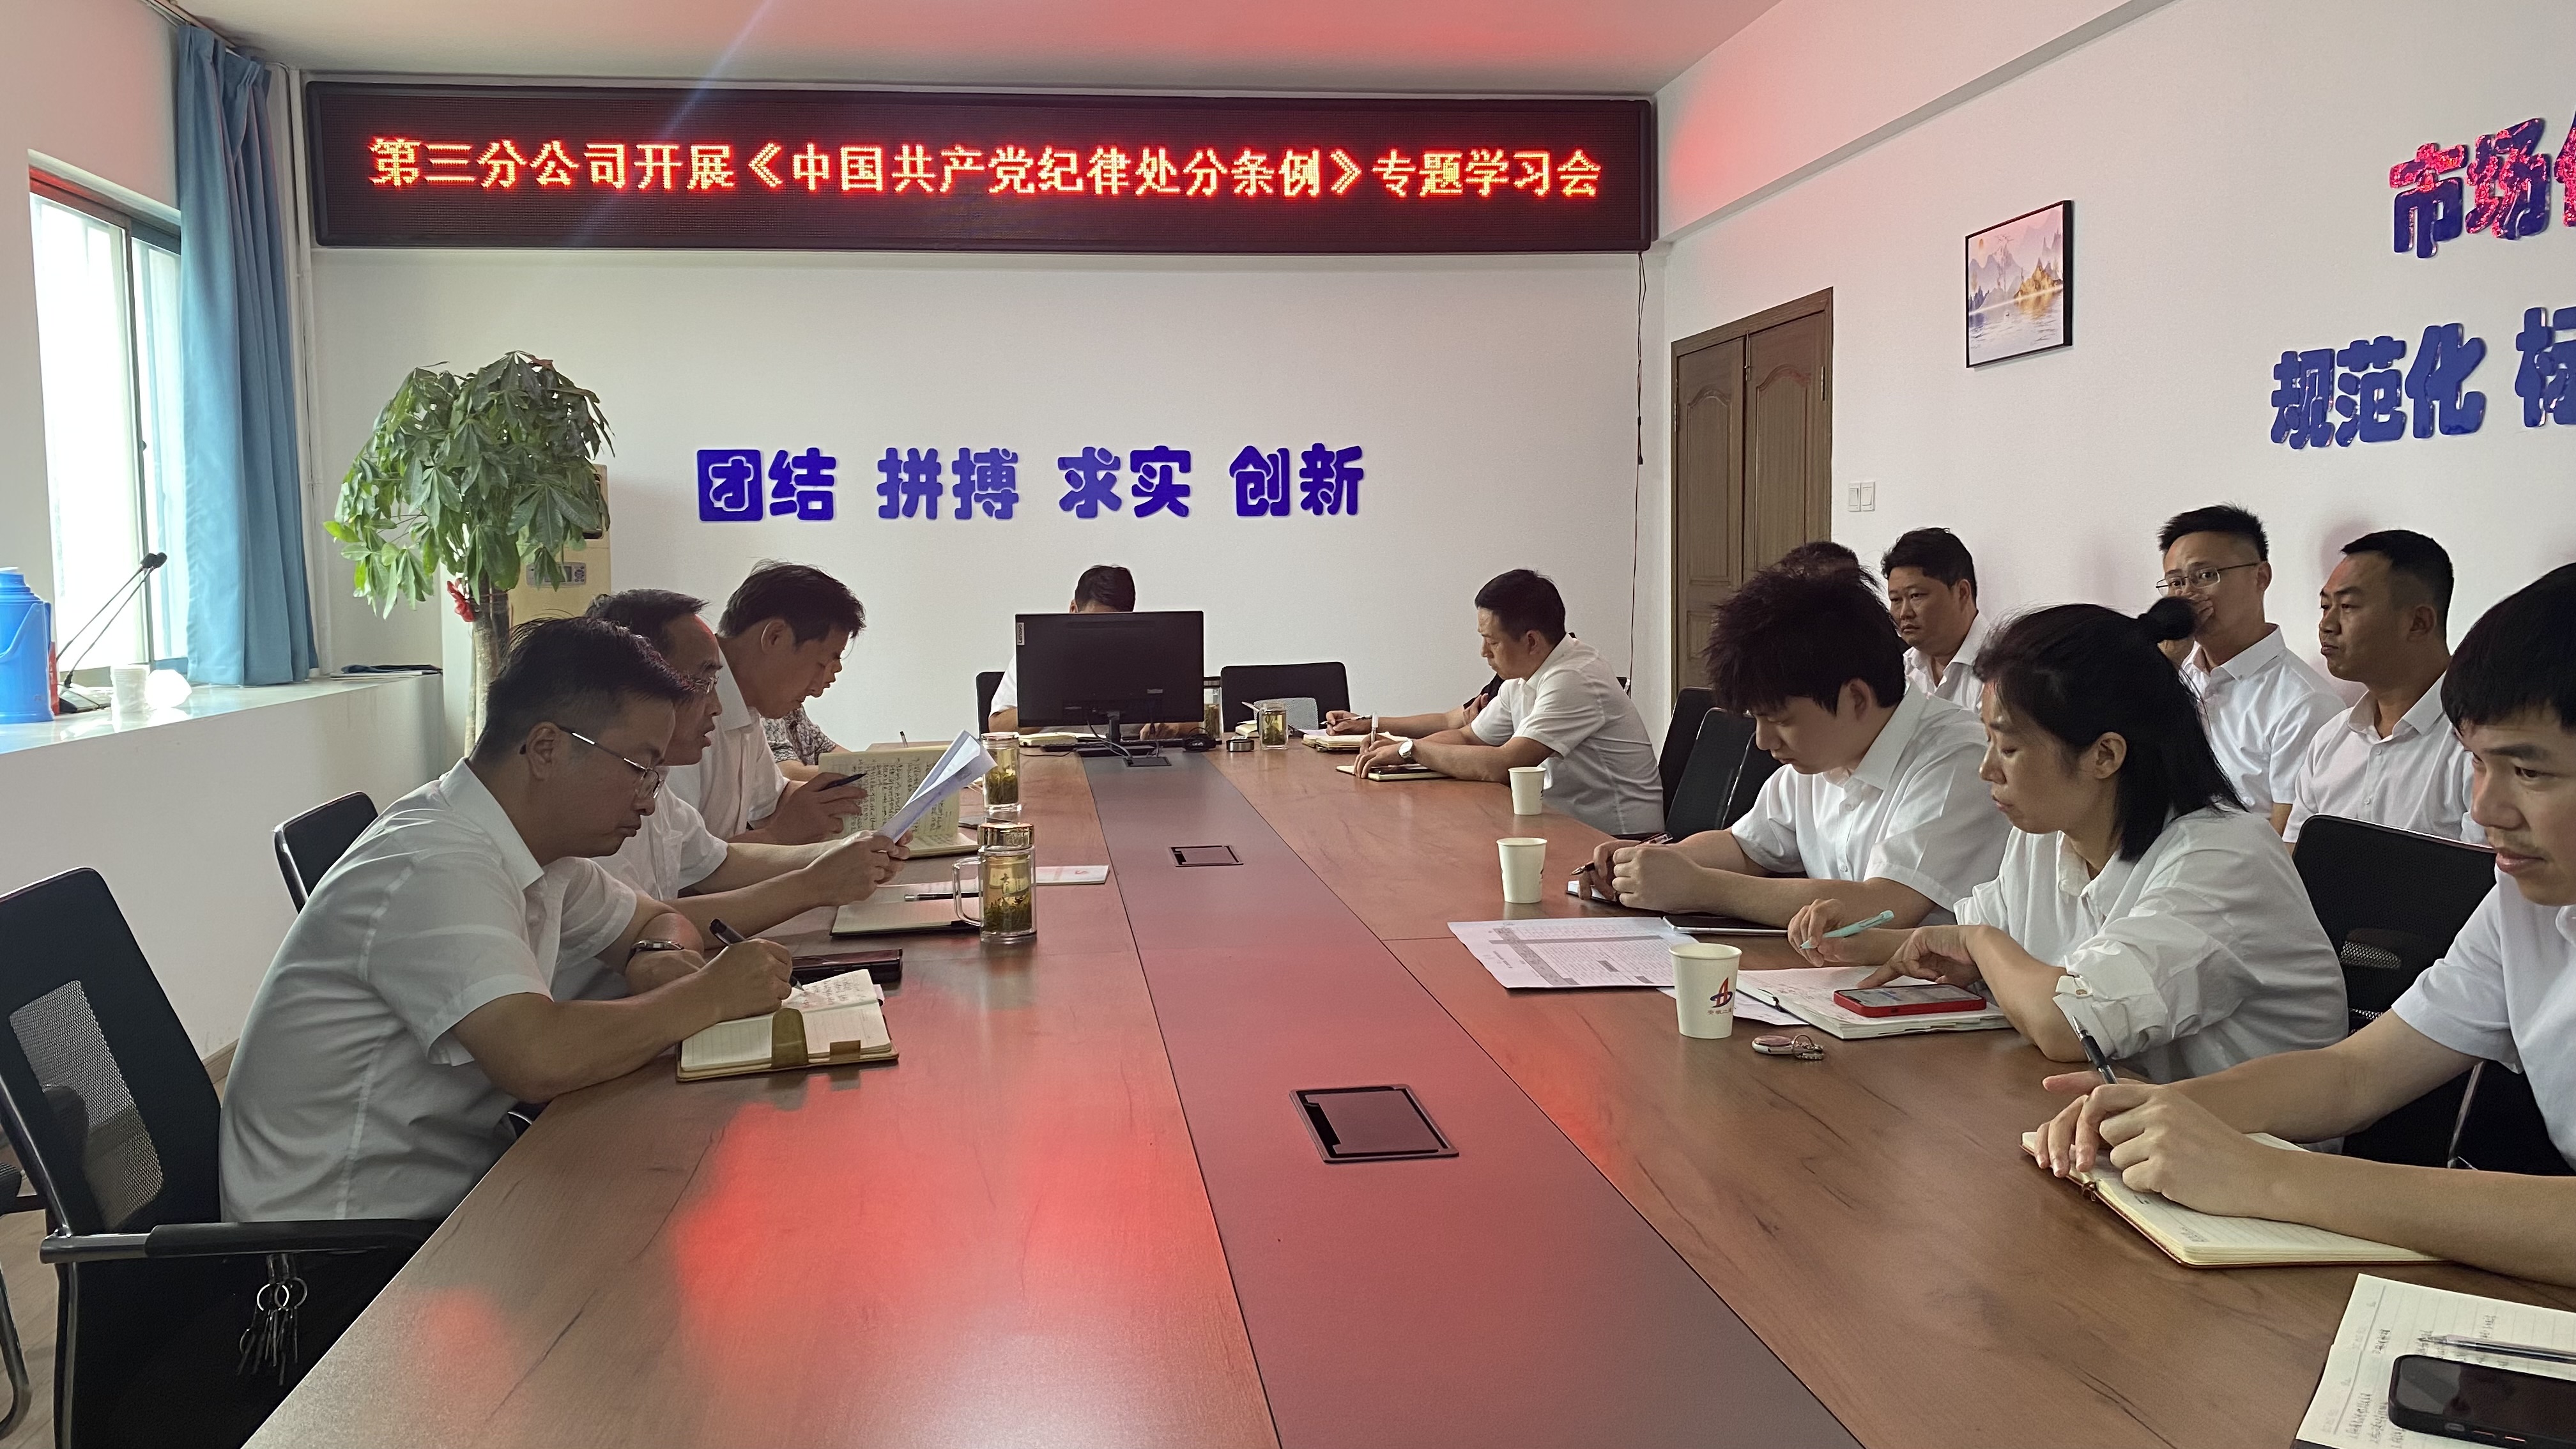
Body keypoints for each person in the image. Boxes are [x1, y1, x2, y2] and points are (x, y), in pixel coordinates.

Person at [2028, 564, 2576, 1286]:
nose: (2484, 809)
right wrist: (2155, 1112)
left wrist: (2267, 1176)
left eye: (2529, 773)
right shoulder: (2527, 905)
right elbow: (2355, 1074)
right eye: (2476, 763)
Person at [220, 618, 798, 1223]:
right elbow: (537, 1057)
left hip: (454, 1187)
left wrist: (656, 957)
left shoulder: (539, 850)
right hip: (342, 1240)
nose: (650, 800)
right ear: (546, 748)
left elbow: (656, 919)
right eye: (640, 768)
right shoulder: (435, 862)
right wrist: (707, 995)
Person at [1791, 599, 2345, 1078]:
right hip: (2119, 1125)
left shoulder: (2225, 859)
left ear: (2104, 755)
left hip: (2249, 1153)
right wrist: (1859, 943)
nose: (1987, 769)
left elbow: (2072, 1026)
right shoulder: (2048, 834)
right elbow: (1975, 947)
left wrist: (1980, 943)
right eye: (1988, 742)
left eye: (2009, 748)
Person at [1588, 564, 2008, 926]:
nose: (1763, 741)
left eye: (1781, 720)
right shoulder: (1822, 757)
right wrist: (1650, 865)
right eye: (1757, 719)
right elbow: (1745, 847)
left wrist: (1701, 887)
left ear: (1856, 698)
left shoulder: (1959, 758)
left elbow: (1885, 906)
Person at [571, 589, 907, 1000]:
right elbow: (652, 922)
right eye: (702, 684)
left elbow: (716, 863)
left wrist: (841, 855)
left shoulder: (652, 780)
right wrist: (814, 883)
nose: (716, 706)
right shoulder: (591, 801)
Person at [1349, 569, 1662, 835]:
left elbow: (1504, 765)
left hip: (1621, 839)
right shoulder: (1523, 678)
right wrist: (1396, 751)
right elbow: (1468, 737)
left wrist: (1411, 750)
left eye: (1493, 641)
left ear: (1531, 641)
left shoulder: (1574, 679)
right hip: (1565, 824)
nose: (1483, 652)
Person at [2156, 505, 2343, 832]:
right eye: (2176, 582)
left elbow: (2287, 843)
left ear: (2261, 577)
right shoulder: (2176, 677)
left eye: (2205, 576)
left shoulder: (2303, 702)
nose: (2187, 596)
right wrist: (2163, 668)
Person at [2286, 529, 2476, 845]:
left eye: (2348, 606)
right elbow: (2294, 858)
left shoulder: (2478, 745)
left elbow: (2487, 872)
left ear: (2418, 622)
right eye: (2325, 606)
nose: (2327, 625)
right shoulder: (2330, 740)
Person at [670, 561, 868, 845]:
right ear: (775, 636)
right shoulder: (684, 710)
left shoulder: (748, 707)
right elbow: (685, 864)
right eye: (820, 664)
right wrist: (780, 837)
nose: (817, 689)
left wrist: (877, 797)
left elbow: (772, 805)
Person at [987, 564, 1135, 733]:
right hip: (1051, 748)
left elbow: (1164, 716)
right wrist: (1053, 704)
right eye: (1093, 624)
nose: (1101, 636)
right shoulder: (1037, 656)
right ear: (1073, 610)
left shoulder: (1149, 655)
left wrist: (1164, 725)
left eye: (1113, 626)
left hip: (1129, 748)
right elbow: (998, 728)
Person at [1883, 526, 1989, 709]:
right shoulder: (1903, 669)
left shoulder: (2005, 669)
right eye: (1896, 600)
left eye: (1916, 596)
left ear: (1962, 593)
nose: (1904, 613)